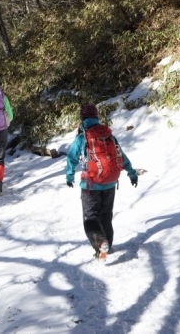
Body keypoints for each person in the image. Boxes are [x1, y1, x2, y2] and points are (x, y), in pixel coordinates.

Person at [65, 103, 138, 259]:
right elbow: (121, 157)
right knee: (105, 216)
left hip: (90, 185)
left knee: (91, 218)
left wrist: (69, 176)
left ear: (82, 118)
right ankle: (107, 247)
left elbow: (71, 158)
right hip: (110, 183)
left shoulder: (82, 138)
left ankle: (100, 244)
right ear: (97, 117)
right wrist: (132, 173)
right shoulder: (109, 136)